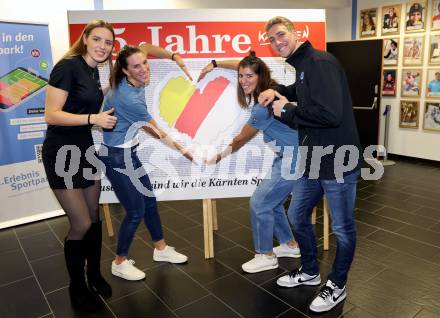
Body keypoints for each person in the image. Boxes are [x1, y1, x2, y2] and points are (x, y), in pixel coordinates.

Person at [258, 16, 362, 313]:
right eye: (272, 39)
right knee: (297, 215)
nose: (278, 42)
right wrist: (279, 90)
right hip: (314, 159)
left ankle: (337, 285)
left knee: (342, 229)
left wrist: (287, 111)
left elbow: (330, 114)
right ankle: (310, 270)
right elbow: (305, 93)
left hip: (338, 161)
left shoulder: (319, 62)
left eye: (281, 35)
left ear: (295, 33)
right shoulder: (304, 66)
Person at [198, 51, 301, 274]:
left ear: (259, 76)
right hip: (288, 156)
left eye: (249, 77)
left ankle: (265, 255)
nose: (244, 80)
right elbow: (248, 66)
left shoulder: (261, 108)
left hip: (293, 159)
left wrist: (218, 156)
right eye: (241, 76)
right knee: (271, 202)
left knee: (259, 203)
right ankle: (289, 245)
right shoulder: (270, 88)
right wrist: (215, 64)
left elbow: (241, 139)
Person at [99, 45, 191, 281]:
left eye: (145, 63)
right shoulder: (129, 98)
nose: (143, 69)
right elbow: (157, 132)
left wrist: (174, 56)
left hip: (129, 152)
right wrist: (185, 150)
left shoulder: (131, 81)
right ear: (126, 71)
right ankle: (119, 261)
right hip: (116, 157)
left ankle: (160, 249)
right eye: (136, 66)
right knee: (135, 210)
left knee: (149, 200)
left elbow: (145, 47)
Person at [42, 20, 116, 312]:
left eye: (108, 42)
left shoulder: (94, 70)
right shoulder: (67, 67)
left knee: (95, 215)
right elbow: (51, 115)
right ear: (84, 39)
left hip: (85, 148)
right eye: (97, 39)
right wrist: (93, 120)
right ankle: (77, 285)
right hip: (61, 152)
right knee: (81, 223)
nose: (102, 46)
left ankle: (94, 274)